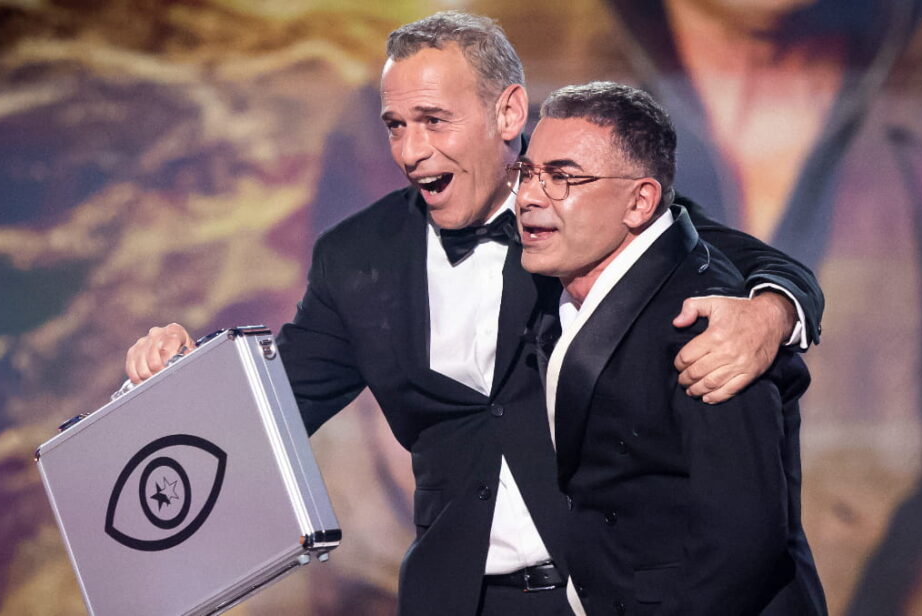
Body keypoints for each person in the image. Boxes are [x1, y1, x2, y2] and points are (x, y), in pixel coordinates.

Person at [124, 12, 824, 616]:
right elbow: (271, 410)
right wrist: (178, 381)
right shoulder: (357, 257)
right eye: (396, 126)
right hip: (461, 597)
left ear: (508, 113)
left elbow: (754, 263)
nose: (411, 151)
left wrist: (770, 315)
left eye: (434, 121)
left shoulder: (585, 210)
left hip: (605, 592)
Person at [517, 81, 825, 615]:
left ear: (641, 201)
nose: (527, 196)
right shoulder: (561, 271)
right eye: (526, 173)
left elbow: (741, 543)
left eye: (563, 177)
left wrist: (776, 309)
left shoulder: (708, 324)